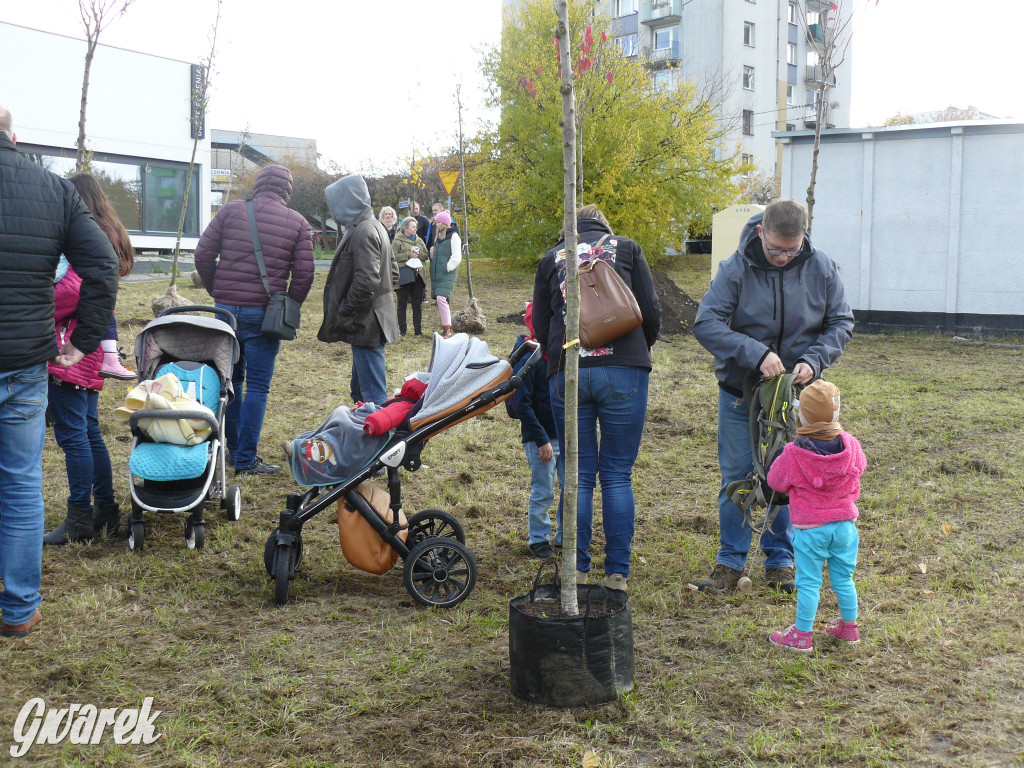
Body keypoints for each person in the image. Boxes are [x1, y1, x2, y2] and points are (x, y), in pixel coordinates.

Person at [692, 198, 854, 593]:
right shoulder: (735, 268)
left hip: (795, 399)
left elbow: (841, 322)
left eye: (792, 250)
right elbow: (706, 323)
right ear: (761, 232)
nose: (783, 257)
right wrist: (756, 353)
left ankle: (780, 561)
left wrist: (814, 361)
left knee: (787, 478)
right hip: (739, 393)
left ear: (804, 238)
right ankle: (729, 563)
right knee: (737, 476)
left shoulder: (822, 267)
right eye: (776, 249)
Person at [0, 105, 118, 637]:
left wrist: (87, 339)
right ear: (13, 136)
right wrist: (88, 338)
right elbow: (103, 263)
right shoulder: (52, 188)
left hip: (28, 357)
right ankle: (20, 608)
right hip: (26, 358)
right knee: (22, 482)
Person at [533, 204, 661, 592]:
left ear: (566, 229)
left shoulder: (550, 260)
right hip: (624, 367)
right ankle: (617, 574)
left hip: (568, 370)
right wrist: (642, 347)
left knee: (580, 477)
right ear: (605, 226)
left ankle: (579, 569)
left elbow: (539, 324)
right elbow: (649, 310)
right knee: (618, 475)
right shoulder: (627, 248)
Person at [194, 164, 314, 476]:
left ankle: (232, 451)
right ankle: (246, 459)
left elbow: (202, 255)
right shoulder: (298, 222)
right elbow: (304, 274)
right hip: (266, 315)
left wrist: (217, 289)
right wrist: (288, 304)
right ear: (287, 191)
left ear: (259, 184)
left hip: (226, 313)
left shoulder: (230, 211)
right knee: (258, 386)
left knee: (230, 383)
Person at [767, 380, 866, 651]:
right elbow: (862, 465)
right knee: (844, 579)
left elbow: (775, 481)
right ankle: (849, 628)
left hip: (811, 530)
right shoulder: (851, 445)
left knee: (809, 583)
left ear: (802, 416)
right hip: (845, 527)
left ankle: (802, 635)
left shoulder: (793, 454)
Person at [43, 262, 120, 545]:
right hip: (86, 350)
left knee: (74, 437)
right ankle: (106, 509)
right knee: (88, 432)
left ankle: (79, 518)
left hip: (70, 354)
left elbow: (65, 295)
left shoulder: (76, 260)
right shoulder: (94, 256)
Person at [318, 174, 400, 406]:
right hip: (370, 320)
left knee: (374, 397)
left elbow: (367, 282)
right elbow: (392, 274)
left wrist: (345, 309)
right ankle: (362, 432)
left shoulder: (364, 231)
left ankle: (382, 438)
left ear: (348, 201)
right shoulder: (374, 227)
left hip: (367, 322)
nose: (332, 212)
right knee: (362, 393)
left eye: (335, 204)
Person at [66, 174, 136, 380]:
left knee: (102, 317)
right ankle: (111, 357)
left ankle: (111, 358)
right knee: (107, 315)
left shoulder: (88, 227)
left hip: (88, 283)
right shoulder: (111, 224)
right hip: (107, 285)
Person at [513, 302, 563, 559]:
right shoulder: (528, 358)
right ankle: (538, 539)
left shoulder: (563, 354)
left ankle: (566, 536)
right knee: (544, 490)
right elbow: (522, 405)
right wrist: (543, 440)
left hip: (566, 437)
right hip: (540, 439)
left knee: (572, 487)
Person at [428, 210, 462, 339]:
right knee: (441, 299)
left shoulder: (454, 236)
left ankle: (447, 329)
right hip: (438, 273)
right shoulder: (439, 237)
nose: (436, 224)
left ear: (445, 223)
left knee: (441, 299)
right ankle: (446, 327)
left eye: (438, 222)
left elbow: (457, 256)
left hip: (447, 273)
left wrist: (447, 268)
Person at [392, 216, 428, 337]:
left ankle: (418, 330)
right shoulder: (397, 241)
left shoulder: (419, 240)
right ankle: (402, 330)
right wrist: (408, 255)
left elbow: (426, 255)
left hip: (418, 276)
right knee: (402, 304)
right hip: (404, 276)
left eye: (416, 227)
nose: (416, 229)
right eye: (413, 227)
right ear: (405, 228)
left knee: (417, 304)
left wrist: (418, 255)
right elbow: (393, 257)